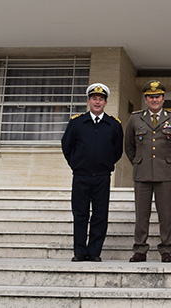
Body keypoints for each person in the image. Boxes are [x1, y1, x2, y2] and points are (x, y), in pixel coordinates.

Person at [124, 80, 171, 263]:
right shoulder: (135, 118)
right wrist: (138, 162)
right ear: (145, 99)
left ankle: (166, 249)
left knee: (165, 214)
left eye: (157, 96)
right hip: (142, 173)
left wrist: (170, 162)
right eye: (151, 97)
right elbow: (129, 146)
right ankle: (140, 249)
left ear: (163, 98)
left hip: (165, 174)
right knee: (141, 214)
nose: (154, 100)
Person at [61, 83, 123, 262]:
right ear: (88, 101)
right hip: (81, 176)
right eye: (94, 98)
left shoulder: (113, 125)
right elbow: (67, 146)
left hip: (102, 177)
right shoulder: (77, 122)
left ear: (105, 102)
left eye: (101, 99)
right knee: (80, 214)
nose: (97, 102)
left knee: (100, 215)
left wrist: (106, 164)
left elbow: (117, 151)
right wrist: (76, 164)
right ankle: (80, 251)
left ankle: (94, 252)